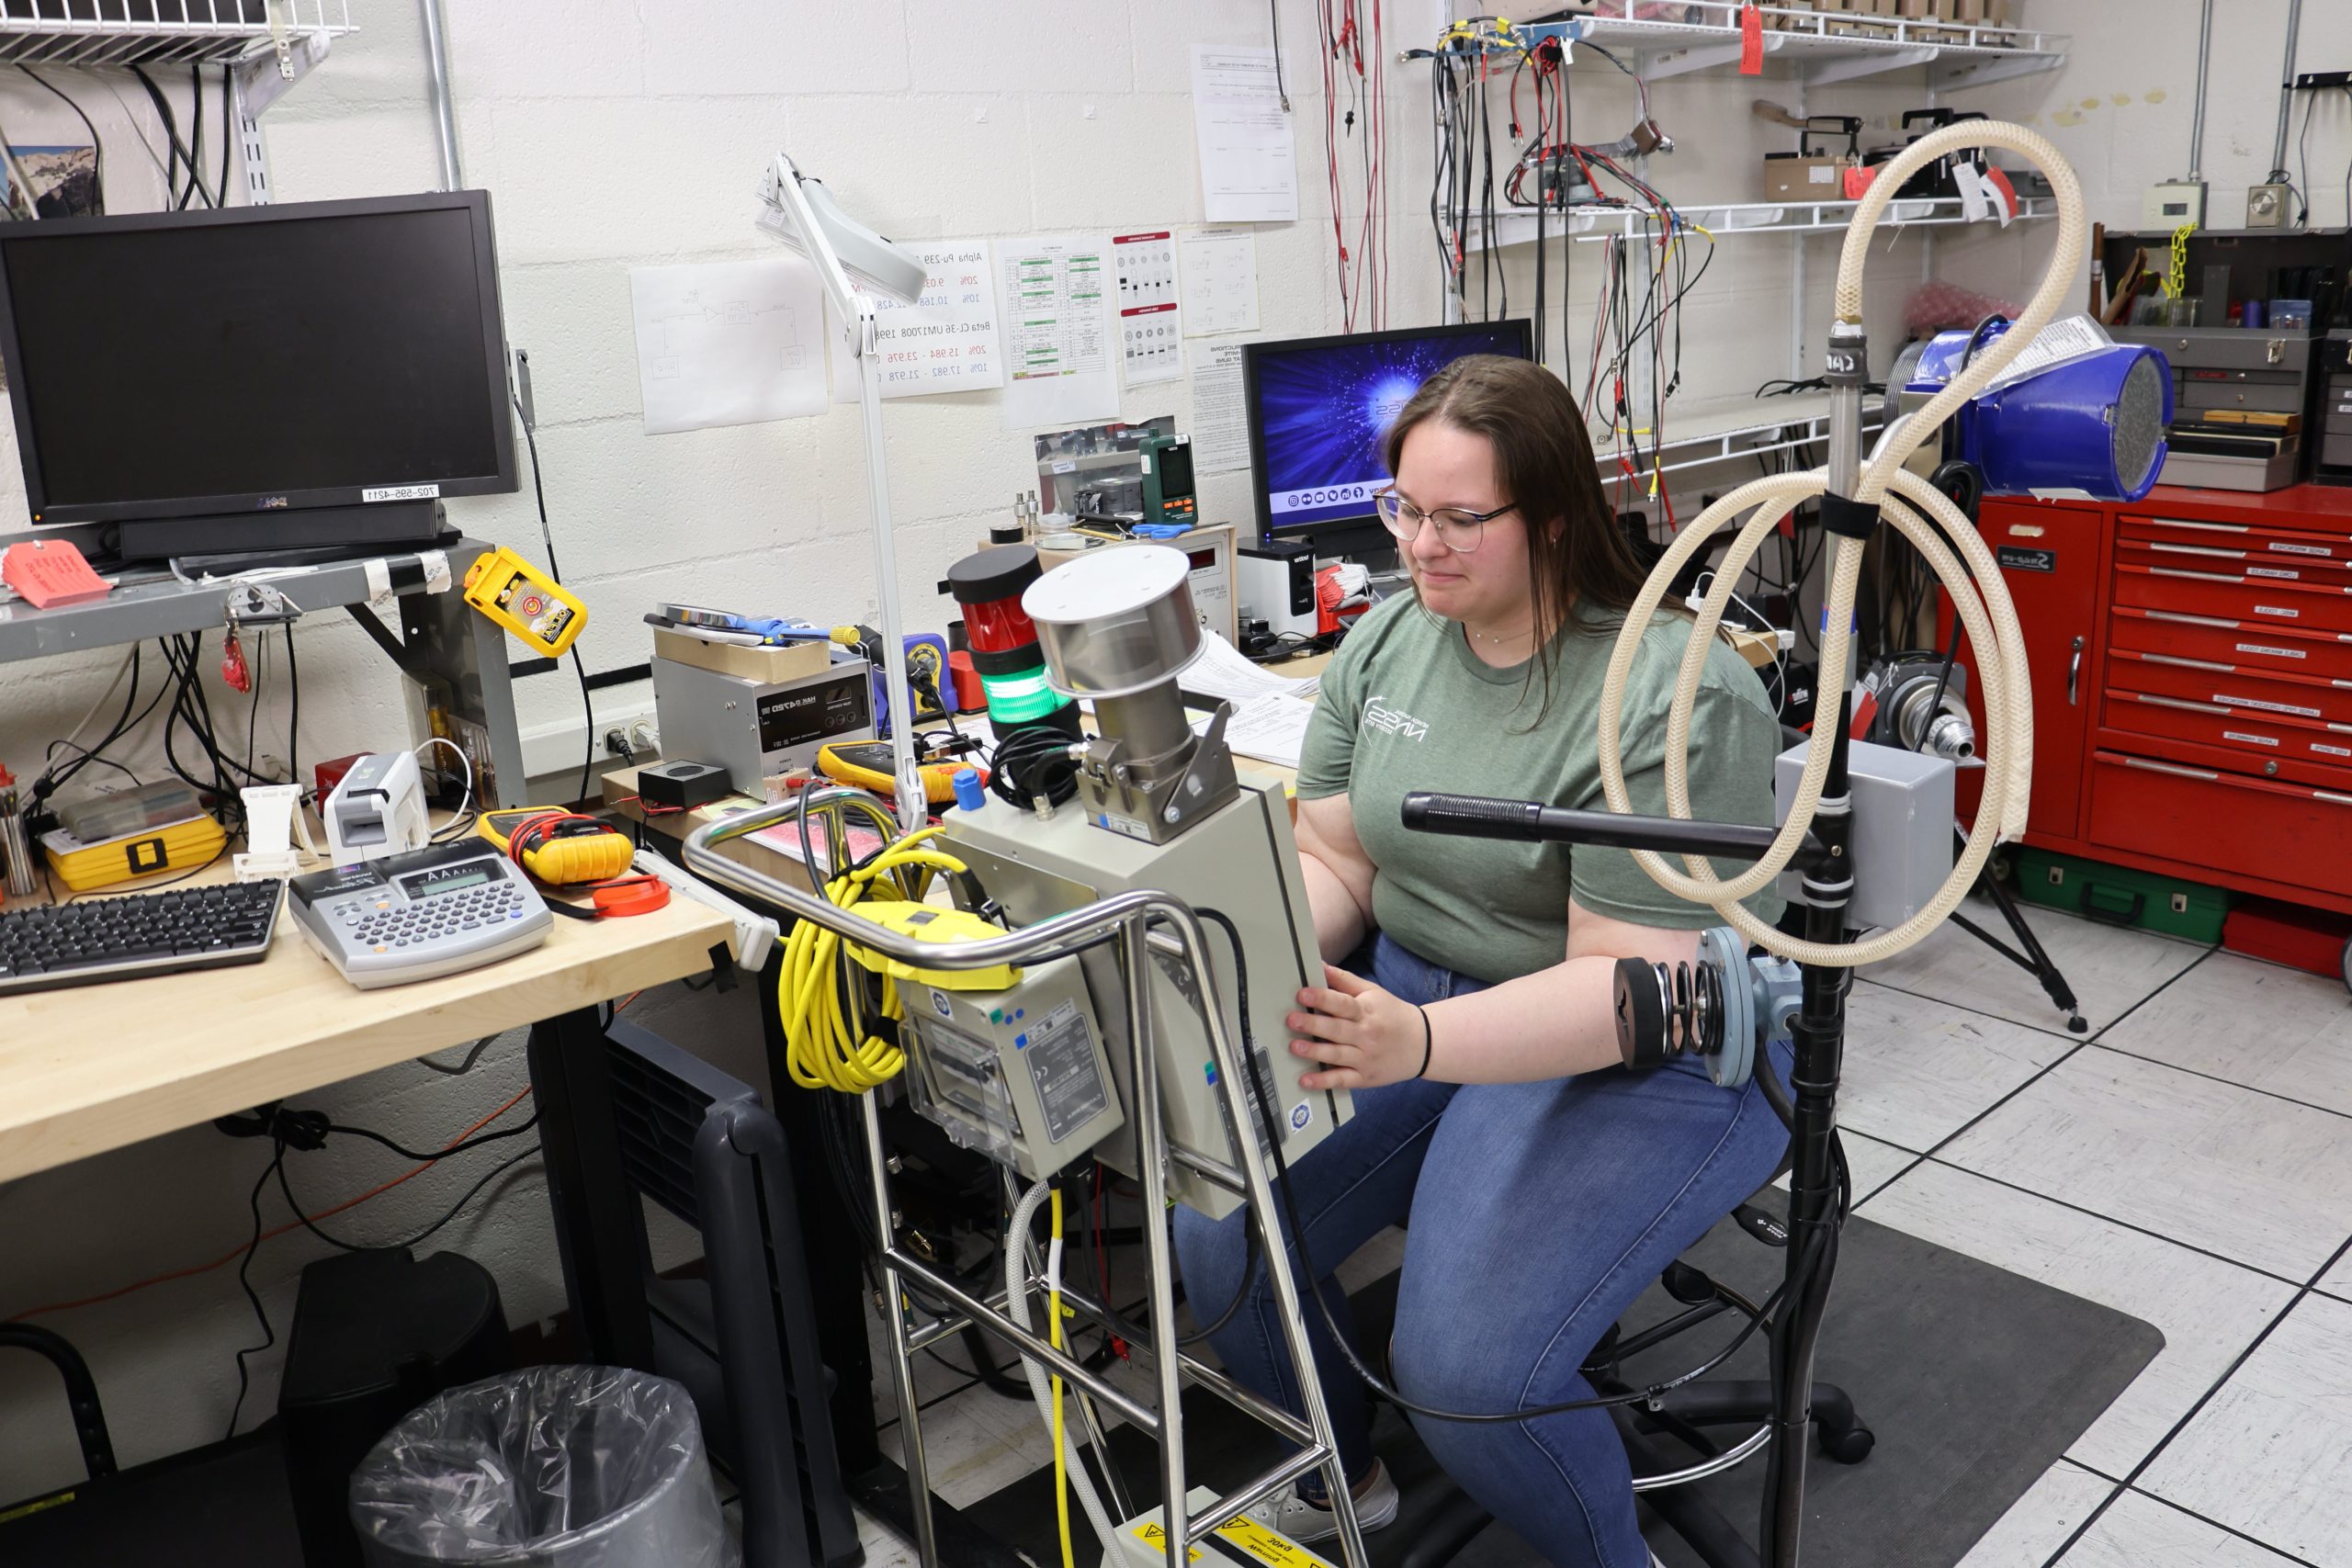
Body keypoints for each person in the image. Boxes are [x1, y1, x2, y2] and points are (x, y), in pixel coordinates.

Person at [1172, 355, 1792, 1568]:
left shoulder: (1674, 695)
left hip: (1646, 1053)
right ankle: (1344, 1478)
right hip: (1422, 1000)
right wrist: (1241, 965)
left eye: (1462, 519)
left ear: (1553, 516)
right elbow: (1342, 862)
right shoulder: (1393, 642)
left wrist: (1421, 1042)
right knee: (1217, 1221)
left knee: (1467, 1371)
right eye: (1405, 509)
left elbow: (1630, 989)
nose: (1421, 546)